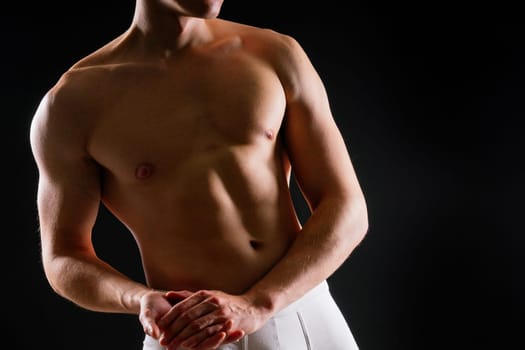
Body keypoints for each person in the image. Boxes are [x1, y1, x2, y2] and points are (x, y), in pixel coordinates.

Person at [29, 0, 369, 349]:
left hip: (299, 308)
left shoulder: (274, 54)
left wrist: (259, 303)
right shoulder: (73, 104)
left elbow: (347, 207)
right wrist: (139, 299)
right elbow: (63, 257)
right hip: (186, 332)